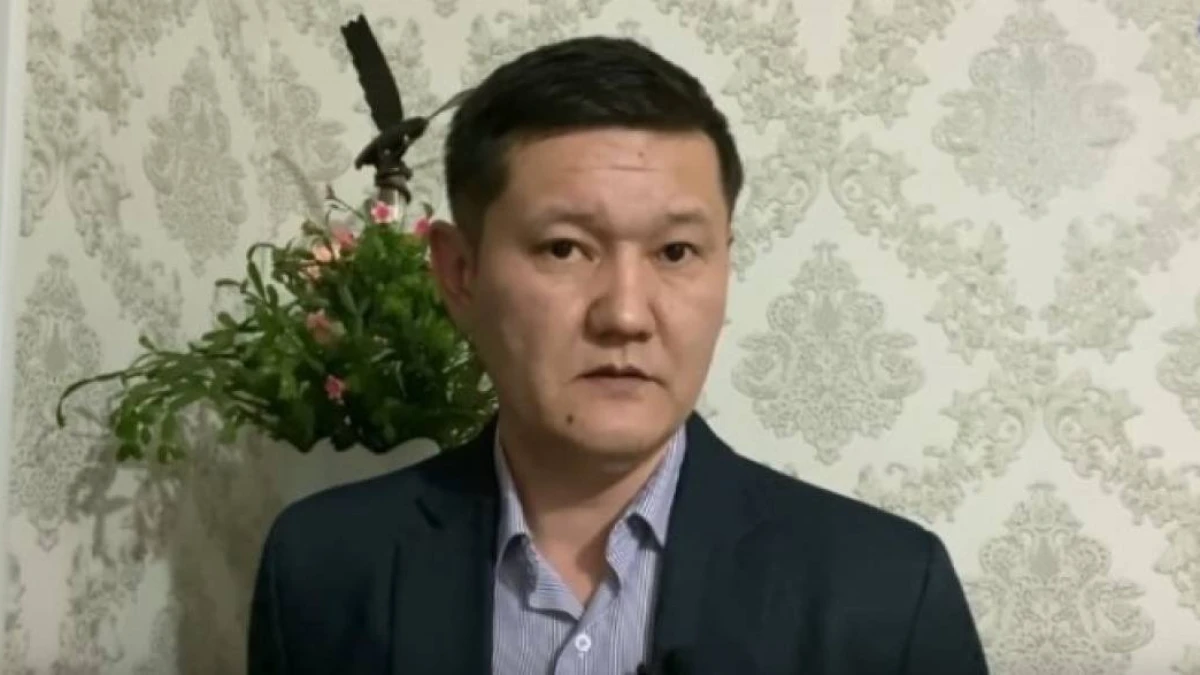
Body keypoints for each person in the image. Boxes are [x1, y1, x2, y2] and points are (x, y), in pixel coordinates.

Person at [247, 36, 989, 675]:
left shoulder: (887, 593)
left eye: (676, 251)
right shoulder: (323, 568)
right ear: (460, 274)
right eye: (564, 248)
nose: (626, 315)